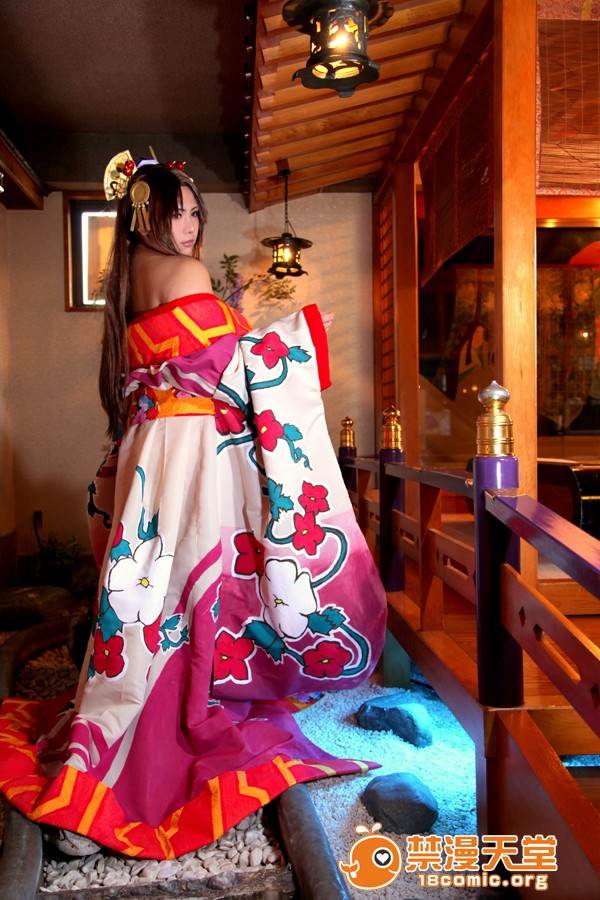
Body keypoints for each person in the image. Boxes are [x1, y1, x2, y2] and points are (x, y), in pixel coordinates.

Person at [0, 155, 387, 859]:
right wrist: (303, 334)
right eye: (176, 211)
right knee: (192, 577)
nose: (188, 224)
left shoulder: (126, 284)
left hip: (150, 445)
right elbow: (230, 368)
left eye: (193, 212)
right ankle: (176, 716)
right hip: (190, 448)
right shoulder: (187, 274)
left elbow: (176, 366)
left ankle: (118, 716)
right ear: (146, 215)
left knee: (150, 585)